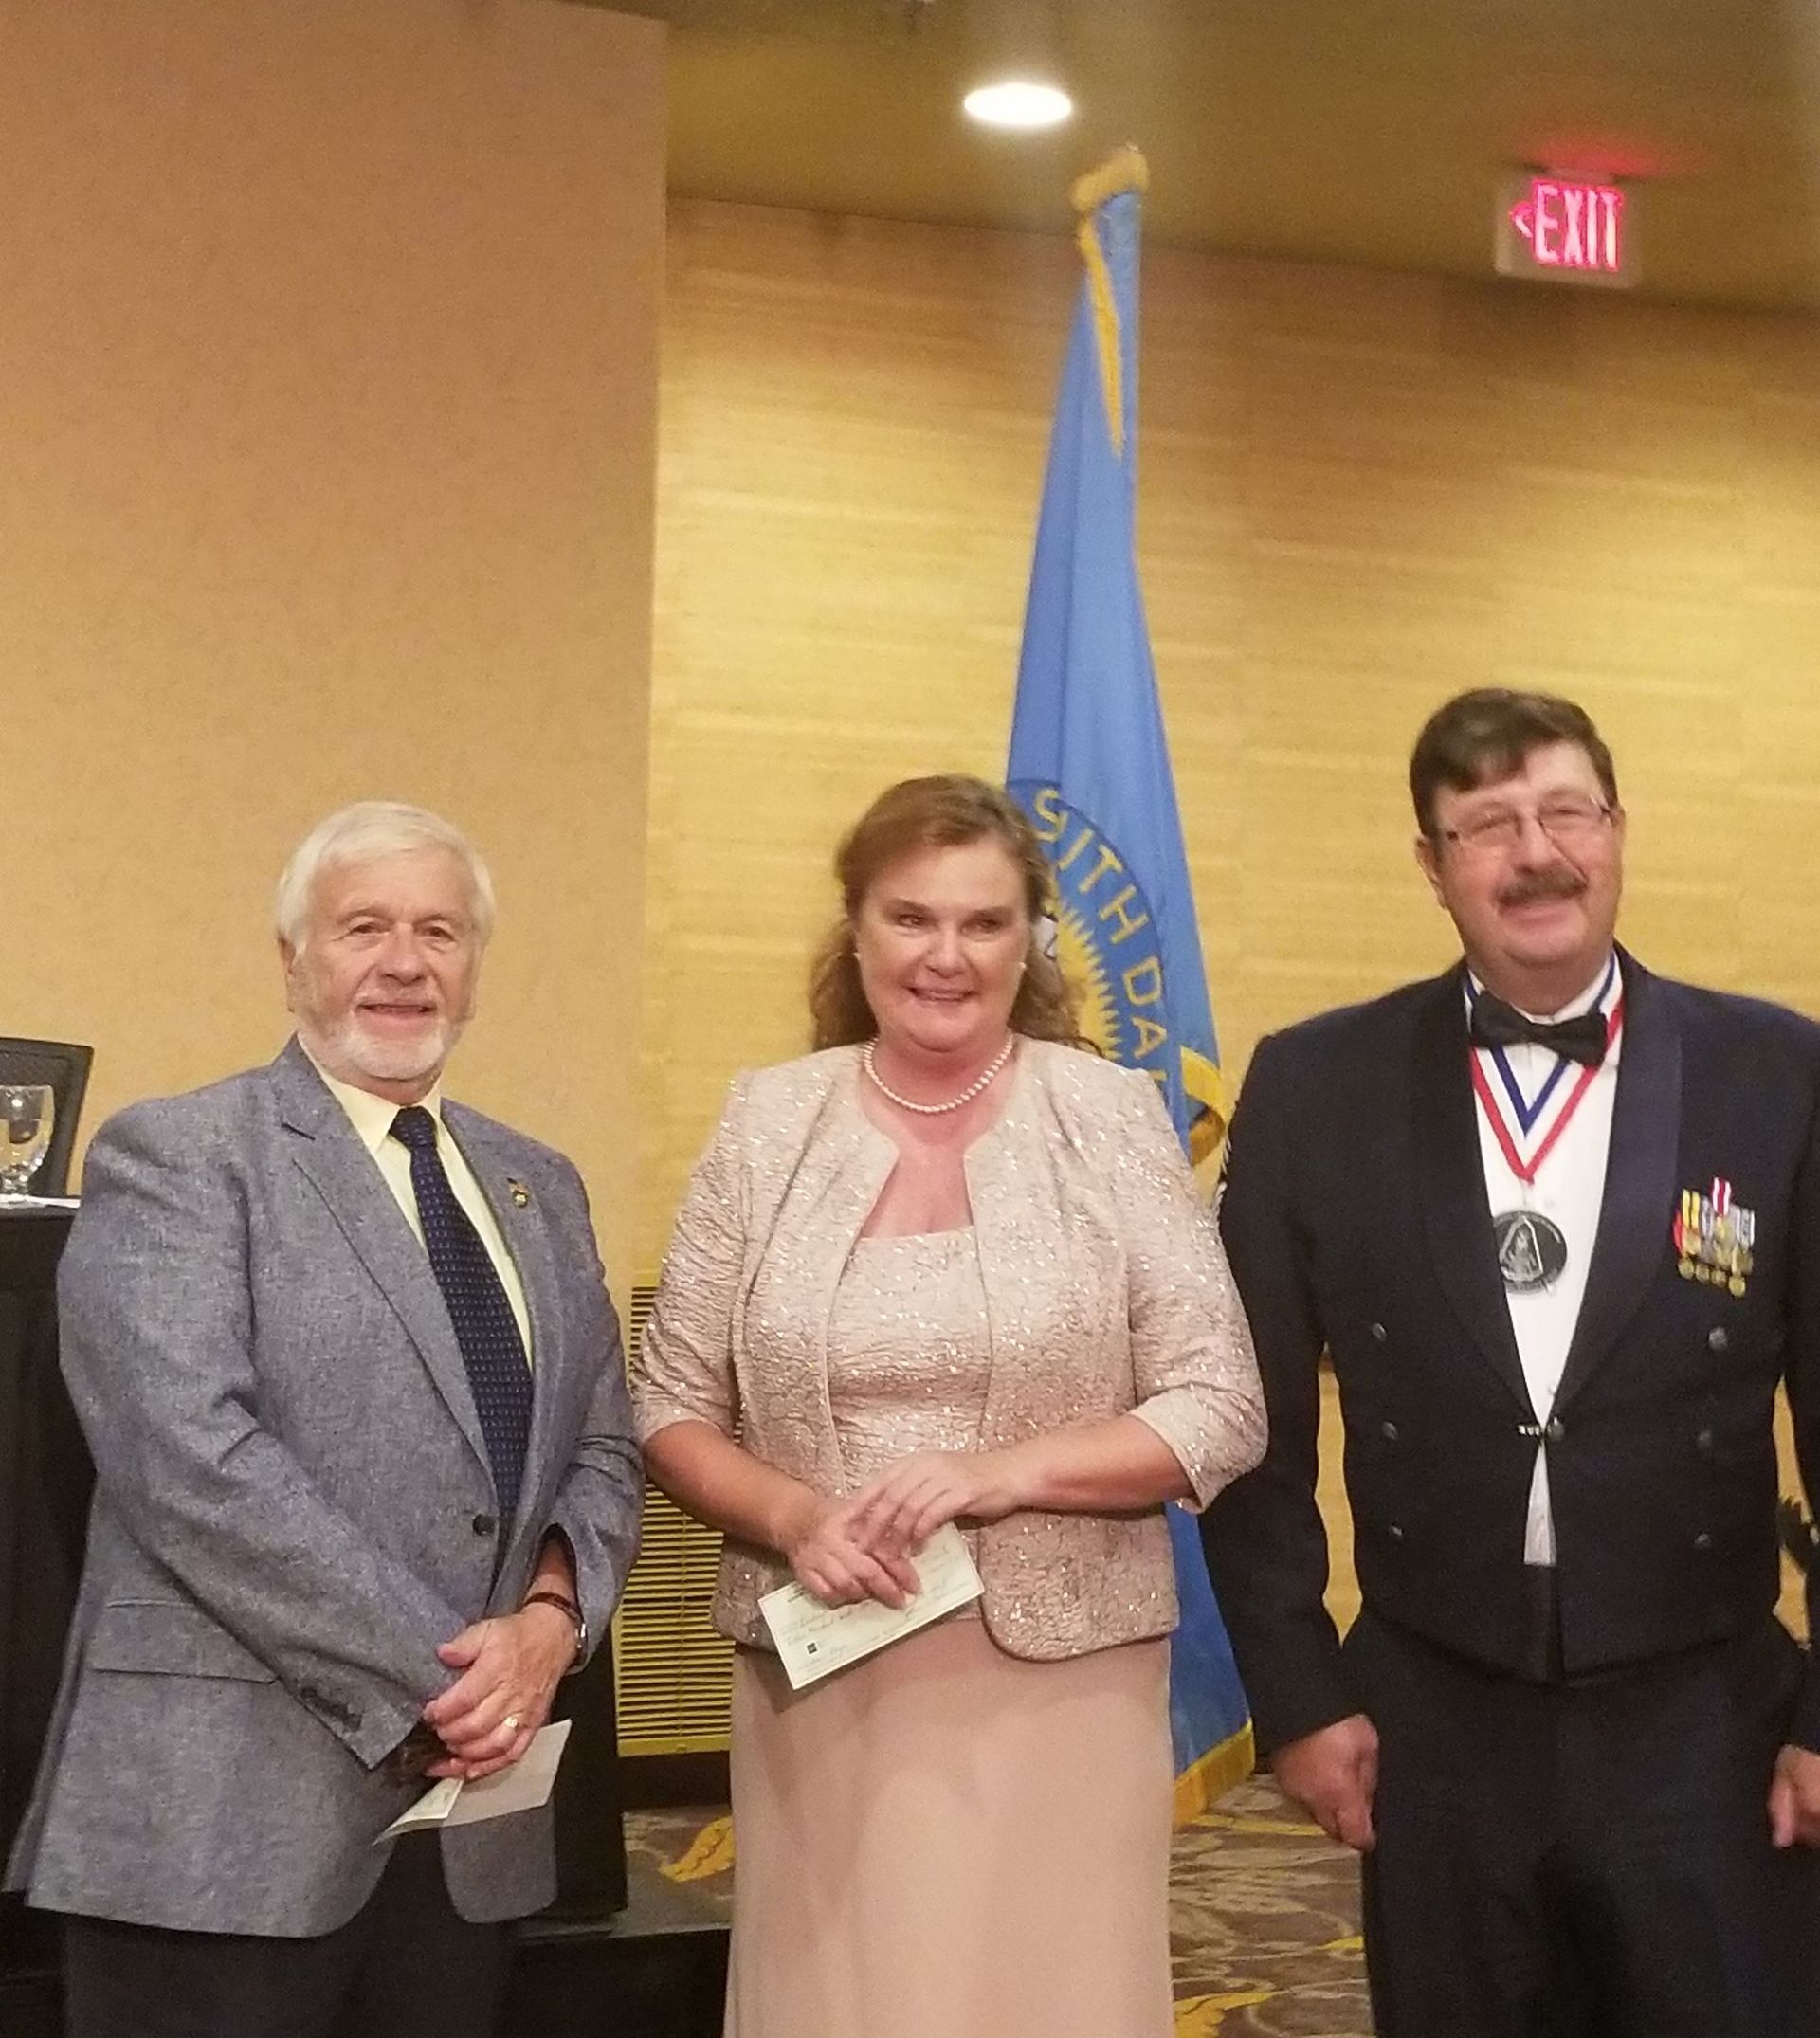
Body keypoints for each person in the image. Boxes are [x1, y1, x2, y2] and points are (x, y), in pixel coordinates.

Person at [1199, 688, 1820, 2037]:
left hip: (1703, 1709)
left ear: (1617, 829)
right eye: (1484, 824)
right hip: (1433, 1713)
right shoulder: (1315, 1085)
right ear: (1433, 866)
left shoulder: (1777, 1071)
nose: (1534, 851)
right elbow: (1248, 1426)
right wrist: (1298, 1695)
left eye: (1563, 810)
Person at [631, 773, 1264, 2038]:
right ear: (854, 928)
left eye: (984, 922)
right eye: (912, 917)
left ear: (1029, 939)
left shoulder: (1113, 1117)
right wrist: (795, 1513)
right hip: (821, 1671)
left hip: (1061, 1685)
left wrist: (994, 1474)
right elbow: (668, 1407)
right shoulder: (768, 1122)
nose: (946, 954)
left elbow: (1218, 1405)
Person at [6, 801, 642, 2038]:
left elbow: (604, 1448)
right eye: (364, 926)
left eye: (439, 930)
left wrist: (552, 1627)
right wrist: (457, 1673)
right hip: (221, 1831)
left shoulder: (539, 1182)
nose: (404, 961)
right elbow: (190, 1460)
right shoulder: (183, 1155)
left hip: (462, 1842)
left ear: (473, 969)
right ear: (293, 957)